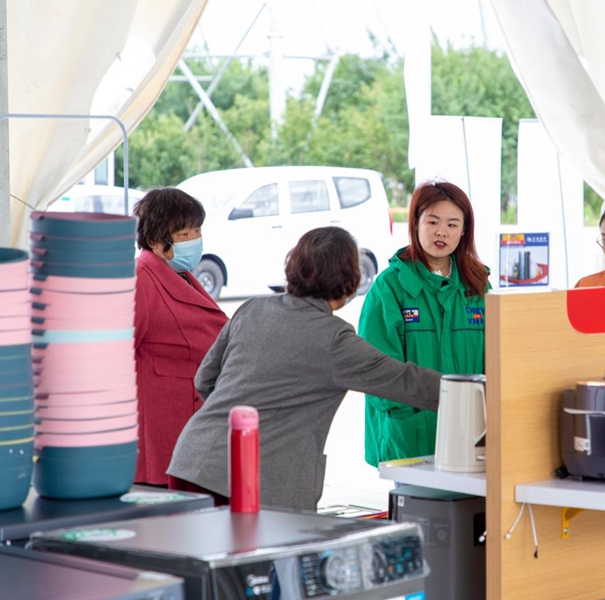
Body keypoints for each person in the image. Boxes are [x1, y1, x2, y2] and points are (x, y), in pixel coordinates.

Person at [167, 227, 442, 512]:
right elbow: (403, 381)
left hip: (191, 460)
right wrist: (467, 391)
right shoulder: (334, 339)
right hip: (248, 482)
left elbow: (204, 379)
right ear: (349, 278)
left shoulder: (252, 309)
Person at [360, 180, 490, 468]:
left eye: (452, 224)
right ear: (415, 223)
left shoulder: (477, 285)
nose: (442, 231)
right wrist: (408, 417)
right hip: (409, 437)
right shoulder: (389, 288)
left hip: (470, 434)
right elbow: (374, 370)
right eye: (433, 221)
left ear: (464, 230)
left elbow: (495, 359)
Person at [132, 188, 228, 486]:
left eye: (197, 231)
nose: (194, 240)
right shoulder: (141, 278)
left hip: (191, 416)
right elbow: (117, 355)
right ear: (154, 240)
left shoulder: (178, 272)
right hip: (159, 424)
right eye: (185, 234)